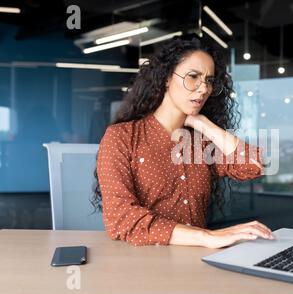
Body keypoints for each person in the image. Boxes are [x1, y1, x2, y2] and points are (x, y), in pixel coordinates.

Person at [94, 35, 274, 248]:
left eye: (208, 81)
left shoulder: (201, 143)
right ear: (167, 78)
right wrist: (207, 237)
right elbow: (120, 218)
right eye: (193, 76)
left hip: (195, 260)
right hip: (142, 262)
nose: (204, 89)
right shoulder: (121, 137)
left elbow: (254, 165)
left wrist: (205, 125)